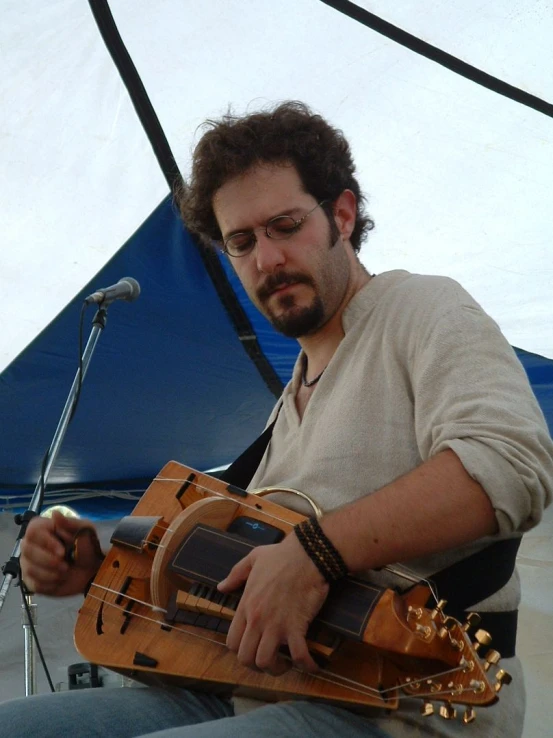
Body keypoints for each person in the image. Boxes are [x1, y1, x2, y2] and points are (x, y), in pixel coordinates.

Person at [2, 101, 552, 738]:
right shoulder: (280, 416)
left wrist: (315, 553)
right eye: (241, 242)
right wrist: (94, 565)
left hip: (406, 708)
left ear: (342, 215)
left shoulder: (423, 308)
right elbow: (244, 580)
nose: (266, 259)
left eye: (285, 226)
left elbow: (512, 464)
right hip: (246, 692)